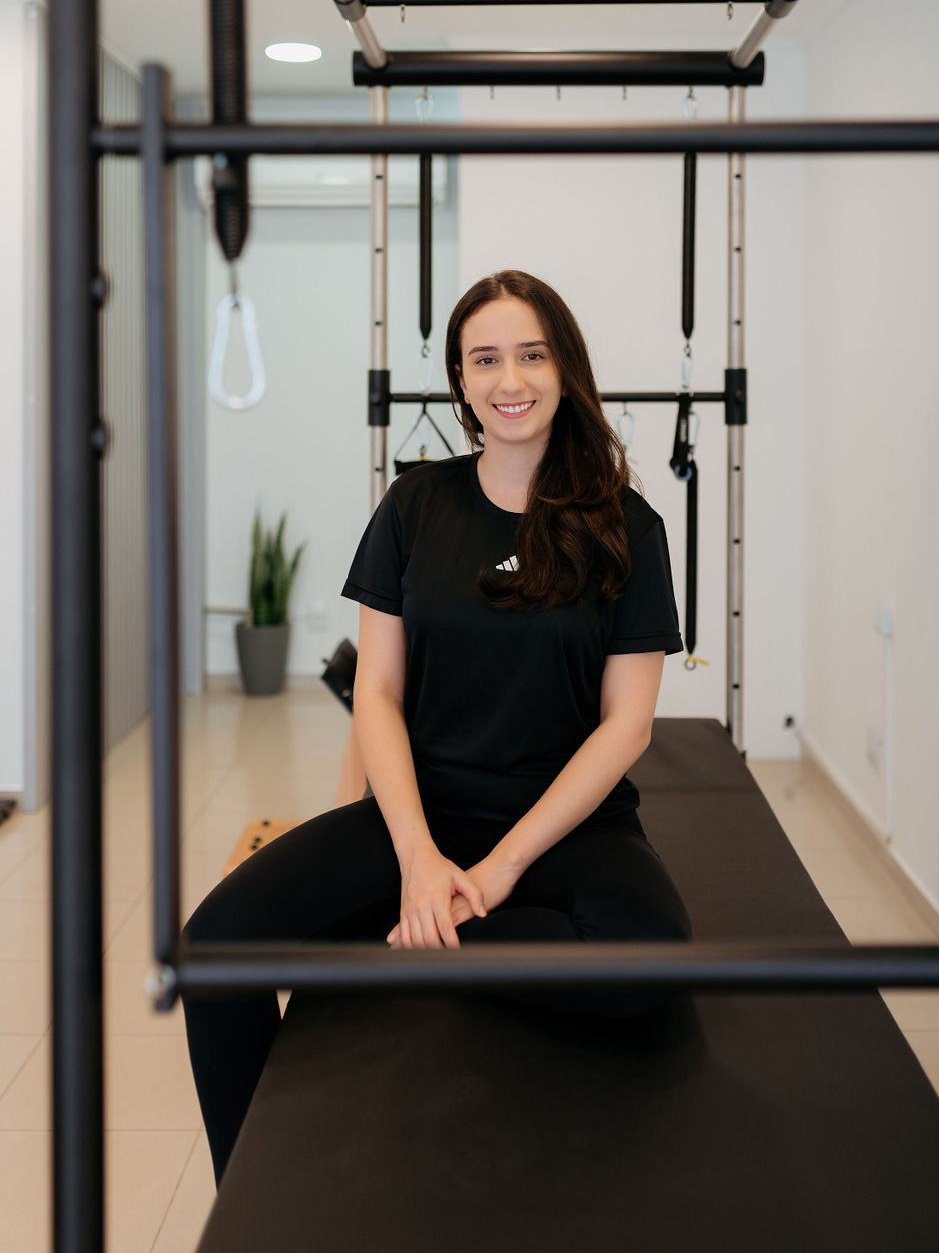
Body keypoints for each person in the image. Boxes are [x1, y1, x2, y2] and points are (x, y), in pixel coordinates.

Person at [183, 269, 692, 1184]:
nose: (510, 380)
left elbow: (627, 726)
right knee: (214, 950)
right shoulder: (415, 507)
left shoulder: (627, 526)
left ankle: (428, 945)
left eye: (532, 355)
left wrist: (495, 872)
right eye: (485, 359)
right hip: (422, 812)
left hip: (568, 826)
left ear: (566, 369)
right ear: (460, 378)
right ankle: (250, 1198)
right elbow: (377, 692)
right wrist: (419, 856)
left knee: (648, 962)